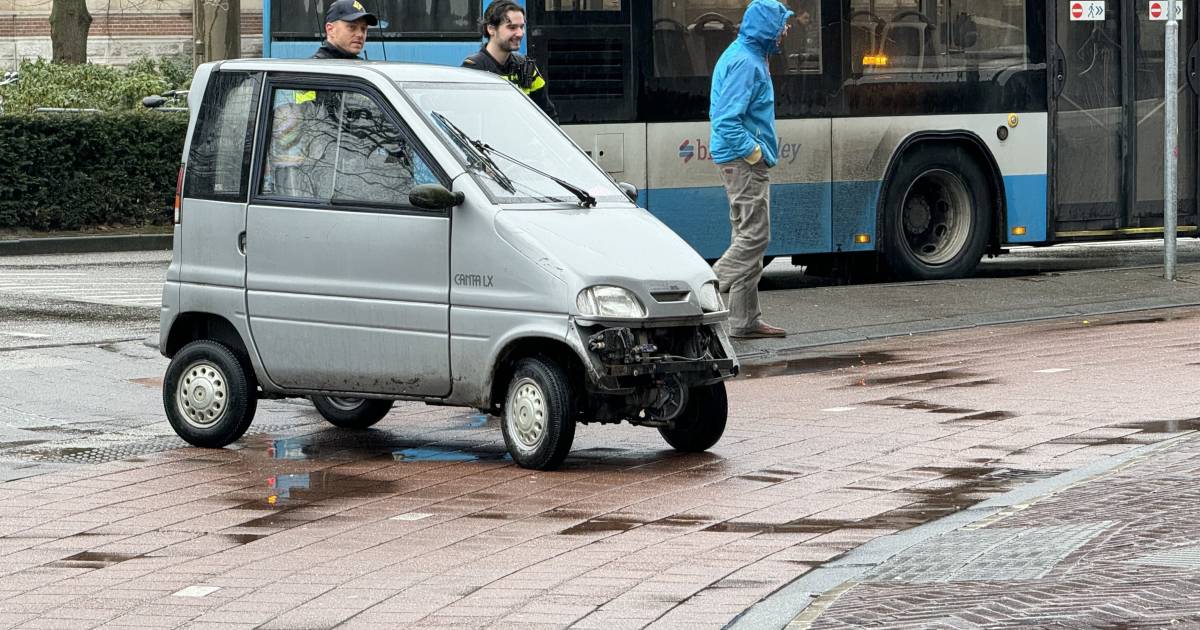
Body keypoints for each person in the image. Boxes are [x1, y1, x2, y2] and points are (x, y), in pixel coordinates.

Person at [709, 0, 792, 339]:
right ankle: (701, 298)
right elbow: (726, 121)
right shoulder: (747, 62)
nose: (786, 30)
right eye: (782, 24)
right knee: (755, 237)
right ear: (766, 27)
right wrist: (755, 153)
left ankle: (744, 321)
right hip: (743, 163)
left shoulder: (748, 54)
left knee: (746, 237)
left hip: (738, 160)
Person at [462, 1, 559, 122]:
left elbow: (548, 115)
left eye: (521, 27)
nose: (520, 33)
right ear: (491, 29)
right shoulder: (474, 69)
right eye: (512, 27)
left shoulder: (526, 67)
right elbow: (465, 119)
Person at [312, 0, 377, 60]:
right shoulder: (317, 69)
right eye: (352, 27)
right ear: (330, 29)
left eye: (363, 29)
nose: (360, 35)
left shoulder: (360, 67)